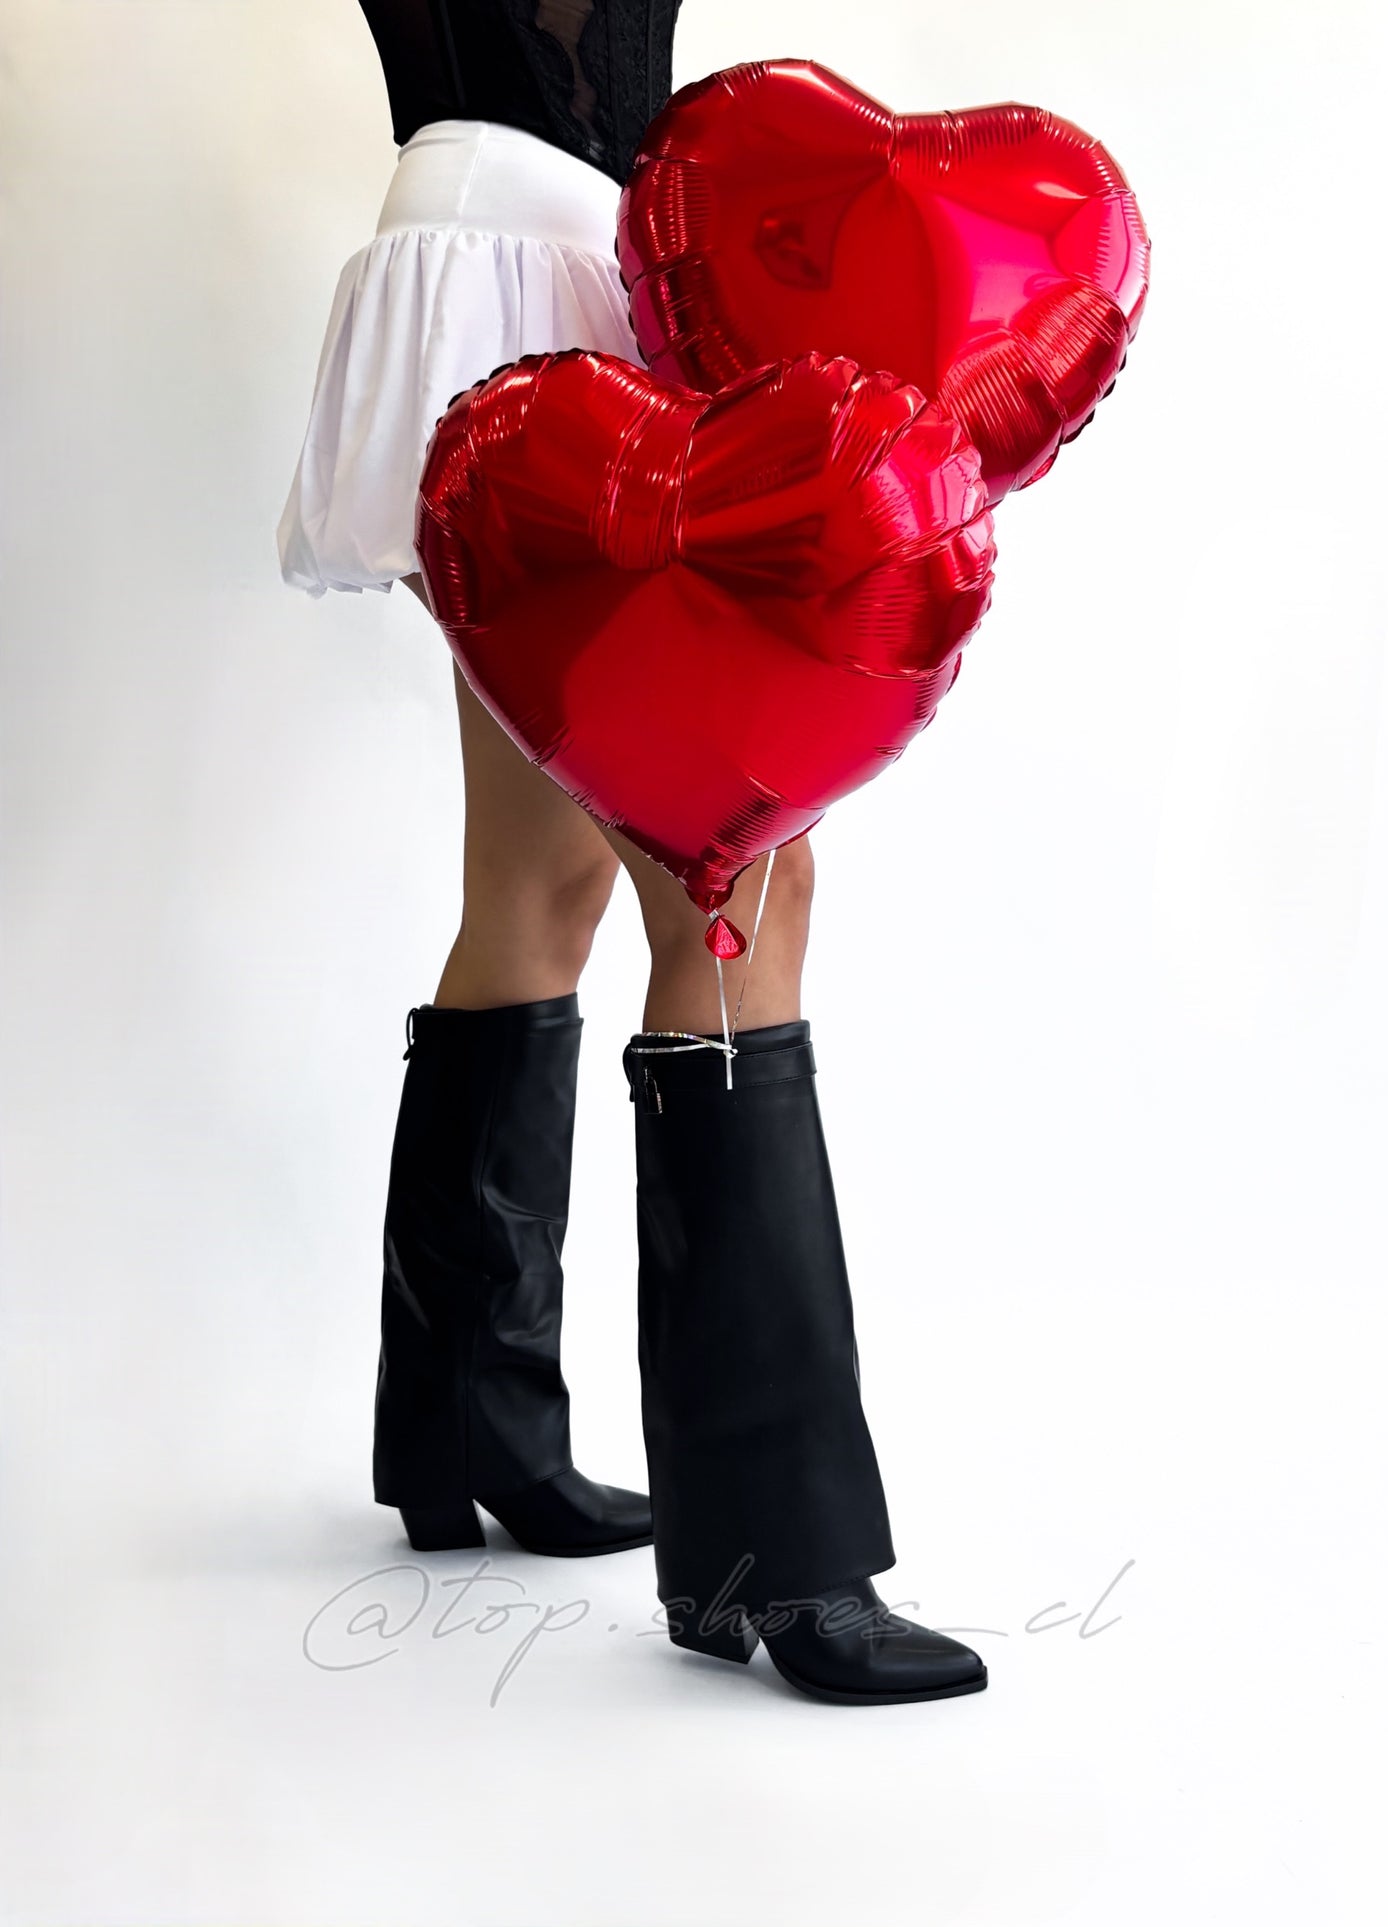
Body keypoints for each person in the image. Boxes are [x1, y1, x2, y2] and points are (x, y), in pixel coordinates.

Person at [276, 0, 986, 1706]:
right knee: (739, 880)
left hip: (515, 265)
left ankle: (469, 1430)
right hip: (523, 280)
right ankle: (773, 1557)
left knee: (548, 884)